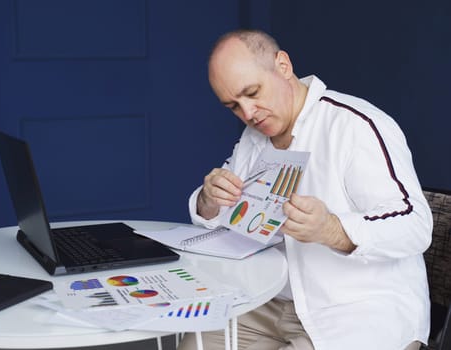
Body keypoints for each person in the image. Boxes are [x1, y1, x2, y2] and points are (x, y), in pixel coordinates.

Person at [178, 29, 432, 350]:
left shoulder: (355, 126)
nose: (248, 114)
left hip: (358, 308)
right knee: (194, 345)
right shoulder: (253, 138)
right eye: (233, 106)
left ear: (283, 65)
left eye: (253, 93)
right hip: (270, 300)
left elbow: (416, 227)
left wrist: (332, 230)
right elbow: (228, 221)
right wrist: (209, 198)